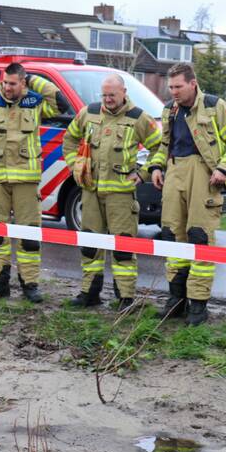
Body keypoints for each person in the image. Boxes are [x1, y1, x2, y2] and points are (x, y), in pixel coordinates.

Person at [148, 63, 226, 326]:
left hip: (204, 175)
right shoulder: (170, 110)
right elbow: (164, 145)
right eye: (170, 87)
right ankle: (176, 301)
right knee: (171, 236)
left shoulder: (214, 106)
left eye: (178, 86)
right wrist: (156, 167)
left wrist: (225, 169)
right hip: (175, 173)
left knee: (199, 238)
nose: (174, 92)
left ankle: (198, 307)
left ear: (193, 84)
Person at [0, 62, 63, 303]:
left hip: (25, 181)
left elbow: (59, 102)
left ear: (23, 83)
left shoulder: (35, 102)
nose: (7, 88)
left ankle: (30, 285)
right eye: (4, 82)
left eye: (13, 83)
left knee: (29, 236)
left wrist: (35, 79)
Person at [62, 74, 162, 312]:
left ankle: (126, 298)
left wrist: (143, 174)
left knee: (123, 247)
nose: (107, 100)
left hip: (121, 195)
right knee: (89, 244)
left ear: (124, 92)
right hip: (90, 192)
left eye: (112, 95)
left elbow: (159, 147)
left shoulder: (139, 118)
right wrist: (75, 167)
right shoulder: (89, 113)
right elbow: (69, 139)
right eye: (104, 95)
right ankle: (89, 292)